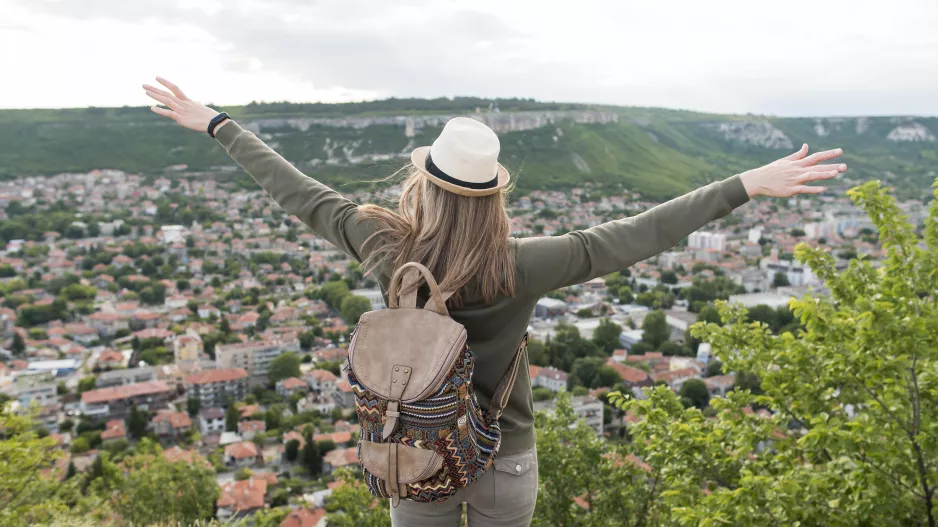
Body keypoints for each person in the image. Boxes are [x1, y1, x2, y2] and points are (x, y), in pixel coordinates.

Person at [143, 77, 846, 527]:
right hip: (504, 455)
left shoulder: (382, 242)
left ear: (425, 181)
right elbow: (636, 235)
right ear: (493, 194)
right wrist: (745, 182)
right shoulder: (521, 263)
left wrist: (219, 124)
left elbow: (296, 189)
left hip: (412, 450)